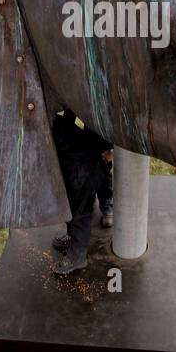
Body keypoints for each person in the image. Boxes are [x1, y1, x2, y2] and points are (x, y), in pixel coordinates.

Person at [49, 109, 113, 275]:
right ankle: (72, 239)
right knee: (70, 202)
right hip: (70, 150)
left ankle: (77, 256)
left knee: (80, 208)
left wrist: (108, 150)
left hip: (88, 157)